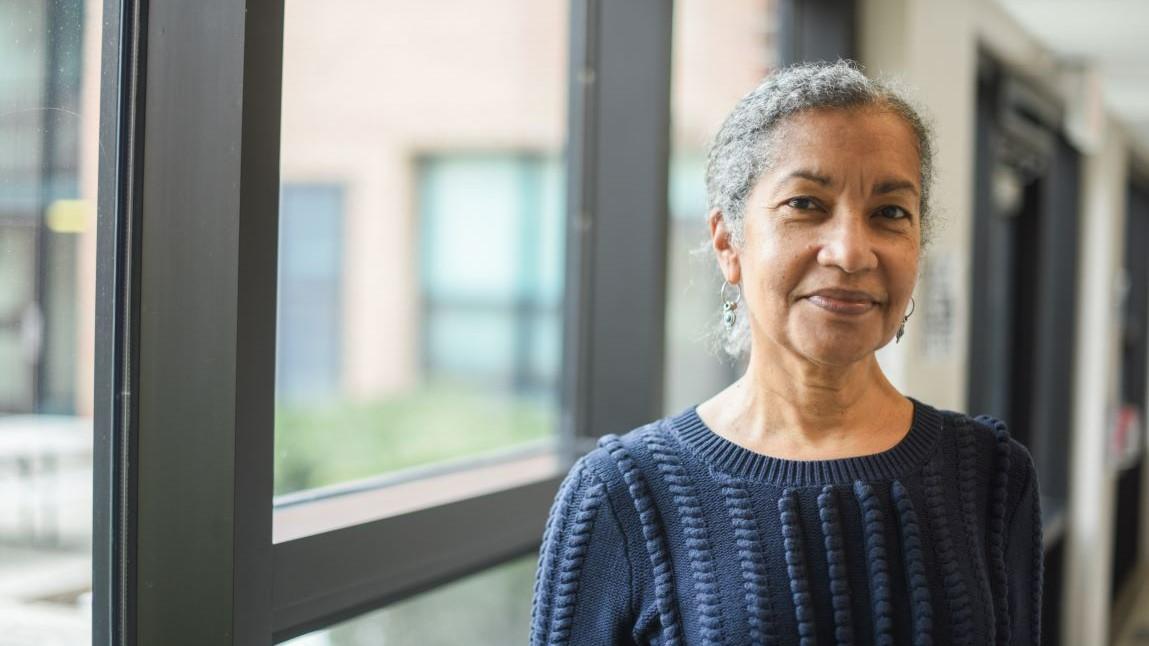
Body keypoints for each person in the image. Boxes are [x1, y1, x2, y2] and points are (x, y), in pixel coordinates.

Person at [529, 60, 1042, 645]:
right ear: (729, 243)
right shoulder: (624, 496)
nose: (851, 252)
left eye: (890, 213)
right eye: (806, 204)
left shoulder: (991, 476)